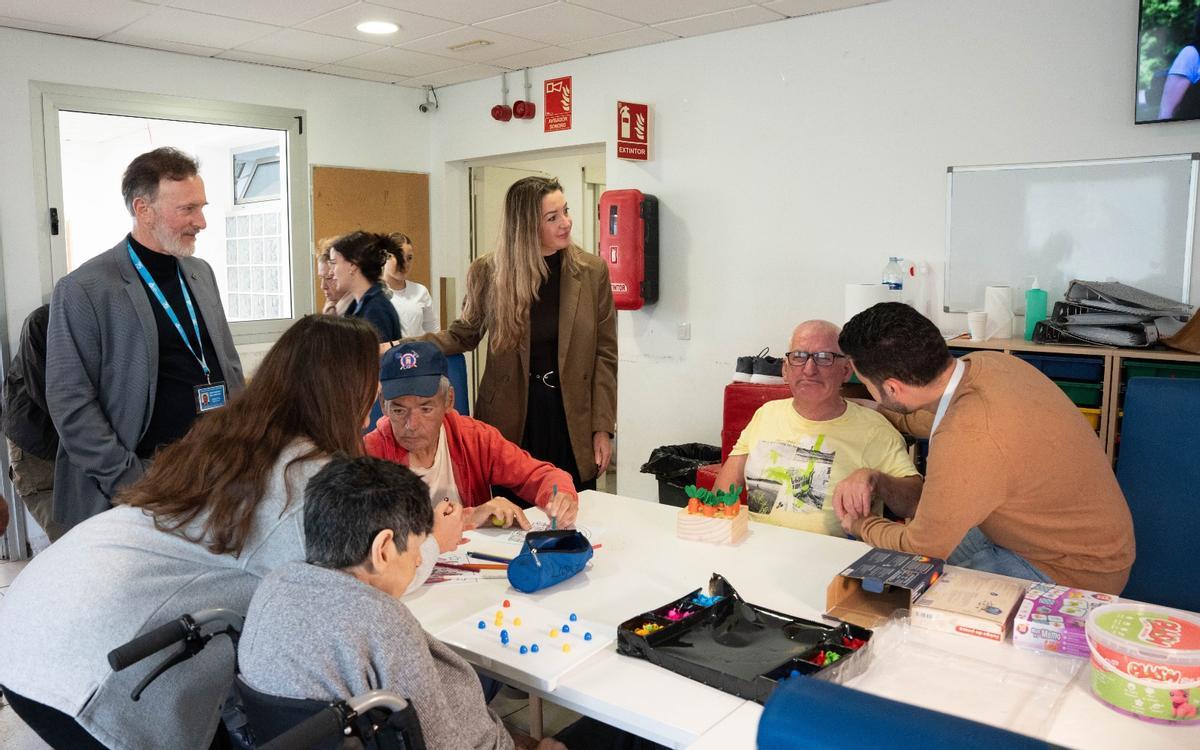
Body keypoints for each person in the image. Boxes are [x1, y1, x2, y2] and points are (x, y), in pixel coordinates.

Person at [0, 315, 381, 750]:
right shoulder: (303, 476)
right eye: (374, 384)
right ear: (349, 393)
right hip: (83, 675)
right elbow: (357, 578)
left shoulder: (227, 438)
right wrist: (433, 541)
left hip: (28, 624)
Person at [837, 302, 1135, 594]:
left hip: (1075, 570)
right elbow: (944, 418)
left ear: (891, 388)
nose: (865, 389)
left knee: (916, 598)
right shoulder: (986, 364)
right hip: (1056, 531)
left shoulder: (969, 438)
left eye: (865, 383)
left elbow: (923, 546)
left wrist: (862, 524)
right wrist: (881, 411)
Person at [45, 147, 244, 532]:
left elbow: (228, 367)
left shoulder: (200, 273)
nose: (201, 222)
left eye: (202, 207)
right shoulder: (85, 288)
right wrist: (131, 480)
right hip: (138, 486)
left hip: (215, 476)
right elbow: (70, 403)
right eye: (187, 209)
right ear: (143, 209)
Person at [417, 177, 617, 491]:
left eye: (565, 211)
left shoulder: (592, 272)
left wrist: (603, 428)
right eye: (553, 218)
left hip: (571, 416)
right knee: (509, 514)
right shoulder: (489, 271)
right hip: (512, 415)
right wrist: (397, 346)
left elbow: (605, 355)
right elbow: (464, 335)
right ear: (524, 226)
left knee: (572, 509)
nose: (566, 223)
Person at [365, 342, 580, 585]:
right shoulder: (368, 455)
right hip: (403, 588)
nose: (411, 425)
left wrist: (560, 495)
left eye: (425, 409)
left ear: (449, 401)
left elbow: (538, 474)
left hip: (472, 582)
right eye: (399, 411)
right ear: (382, 405)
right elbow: (376, 541)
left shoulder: (472, 436)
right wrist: (471, 517)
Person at [713, 320, 922, 537]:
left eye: (824, 358)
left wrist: (878, 480)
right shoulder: (766, 414)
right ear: (785, 369)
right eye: (799, 357)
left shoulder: (874, 429)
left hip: (833, 562)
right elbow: (723, 493)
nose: (809, 369)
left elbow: (914, 502)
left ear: (845, 370)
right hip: (759, 550)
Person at [2, 304, 63, 541]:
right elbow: (48, 392)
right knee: (66, 537)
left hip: (58, 438)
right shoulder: (44, 320)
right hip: (37, 443)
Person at [328, 230, 402, 342]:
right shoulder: (358, 305)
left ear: (353, 265)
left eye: (334, 263)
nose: (331, 272)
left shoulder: (376, 310)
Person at [384, 231, 438, 334]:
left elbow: (433, 332)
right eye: (399, 257)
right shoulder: (375, 294)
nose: (405, 264)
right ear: (385, 257)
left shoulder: (420, 291)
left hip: (417, 349)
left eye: (409, 258)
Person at [317, 243, 352, 316]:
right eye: (321, 278)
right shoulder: (331, 305)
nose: (323, 286)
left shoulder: (354, 307)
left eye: (329, 277)